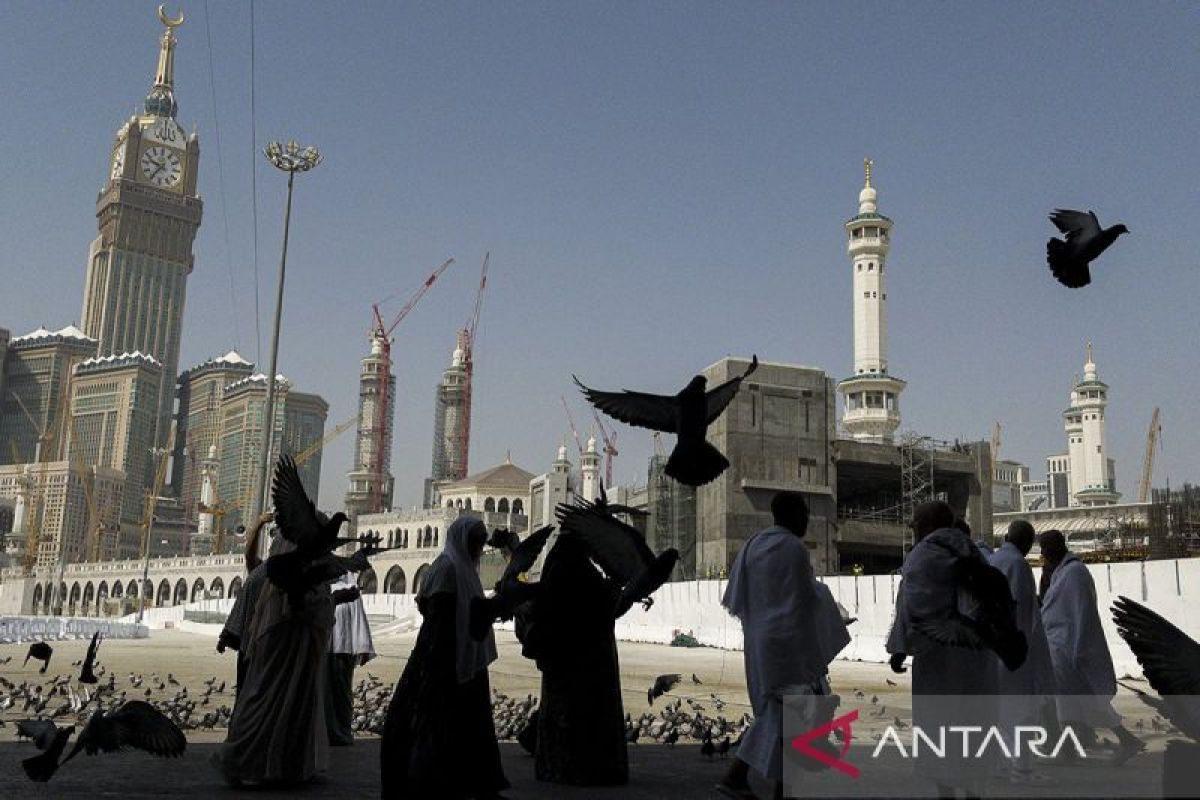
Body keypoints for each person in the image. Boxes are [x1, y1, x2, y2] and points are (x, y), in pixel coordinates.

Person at [717, 491, 849, 800]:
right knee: (788, 713)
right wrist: (834, 611)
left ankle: (775, 786)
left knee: (779, 713)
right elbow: (805, 599)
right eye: (804, 513)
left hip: (760, 643)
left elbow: (742, 598)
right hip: (788, 647)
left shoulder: (753, 544)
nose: (807, 519)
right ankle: (744, 779)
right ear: (791, 515)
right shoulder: (793, 548)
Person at [381, 517, 509, 799]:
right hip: (442, 657)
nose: (478, 548)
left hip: (466, 658)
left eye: (480, 542)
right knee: (433, 723)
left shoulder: (465, 570)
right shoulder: (447, 567)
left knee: (470, 725)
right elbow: (433, 609)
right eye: (474, 542)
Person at [218, 534, 359, 787]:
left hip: (292, 655)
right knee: (271, 705)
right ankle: (242, 763)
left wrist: (333, 598)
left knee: (289, 707)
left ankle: (288, 767)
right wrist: (334, 599)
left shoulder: (279, 571)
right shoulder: (276, 574)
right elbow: (297, 609)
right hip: (284, 655)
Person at [887, 500, 997, 798]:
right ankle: (974, 790)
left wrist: (899, 647)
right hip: (976, 658)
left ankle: (946, 791)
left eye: (916, 524)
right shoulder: (976, 553)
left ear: (925, 526)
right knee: (973, 725)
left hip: (939, 659)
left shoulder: (923, 555)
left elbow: (911, 605)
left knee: (941, 726)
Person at [525, 532, 628, 786]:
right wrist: (615, 578)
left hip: (563, 658)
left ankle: (557, 766)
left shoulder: (559, 567)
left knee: (561, 714)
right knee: (579, 716)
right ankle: (578, 769)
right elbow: (601, 606)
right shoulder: (577, 571)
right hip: (582, 662)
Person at [1039, 529, 1143, 763]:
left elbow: (1081, 614)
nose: (1043, 554)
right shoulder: (1061, 572)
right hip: (1059, 648)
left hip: (1071, 648)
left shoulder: (1074, 573)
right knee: (1067, 702)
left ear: (1057, 547)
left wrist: (1079, 648)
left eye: (1046, 548)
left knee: (1087, 701)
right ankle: (1068, 749)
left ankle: (1126, 740)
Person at [988, 520, 1056, 785]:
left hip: (995, 649)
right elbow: (1024, 616)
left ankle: (1001, 765)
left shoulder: (994, 561)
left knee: (1002, 712)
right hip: (1015, 650)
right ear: (1028, 544)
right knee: (1023, 712)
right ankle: (1022, 769)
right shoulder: (1018, 565)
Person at [217, 512, 274, 691]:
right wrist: (259, 524)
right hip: (251, 644)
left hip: (271, 647)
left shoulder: (287, 577)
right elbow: (249, 551)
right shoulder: (260, 571)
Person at [325, 572, 374, 746]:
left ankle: (341, 732)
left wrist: (363, 647)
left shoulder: (350, 590)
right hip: (323, 651)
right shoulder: (322, 588)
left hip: (343, 650)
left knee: (341, 693)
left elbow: (358, 620)